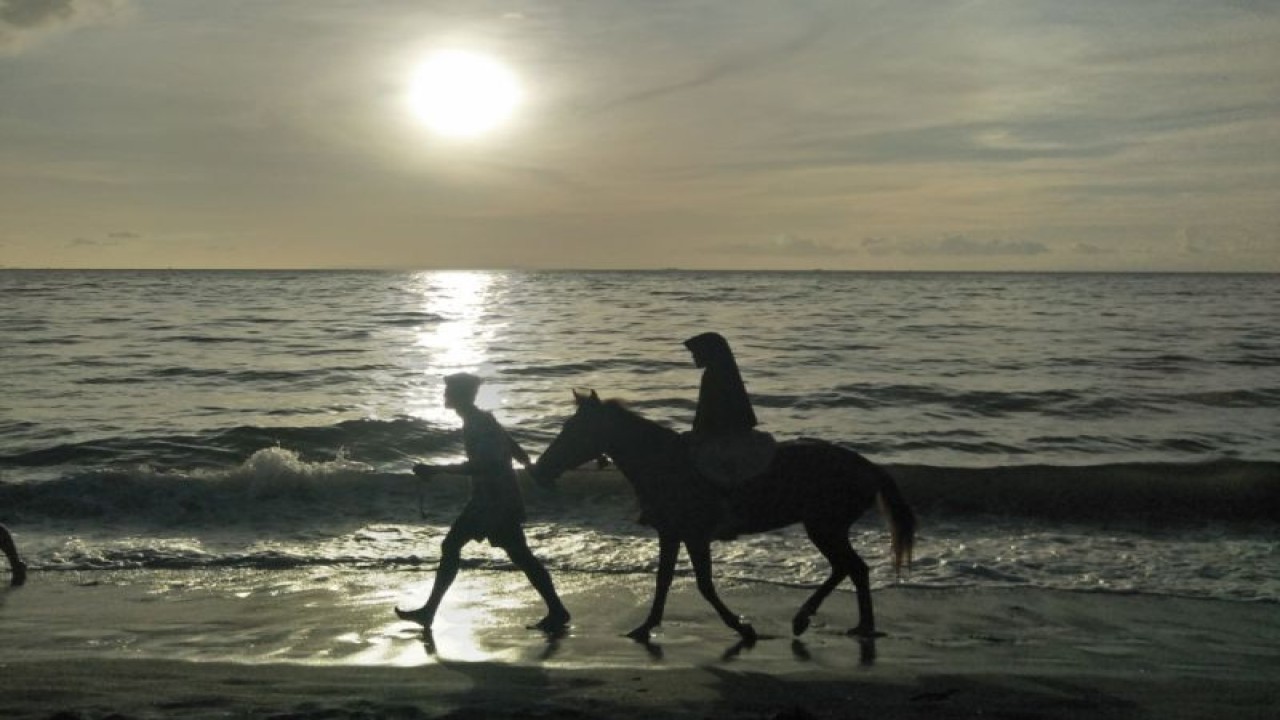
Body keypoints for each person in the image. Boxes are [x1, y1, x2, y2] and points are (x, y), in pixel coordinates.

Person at [395, 373, 570, 633]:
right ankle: (557, 610)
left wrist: (436, 469)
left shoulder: (478, 423)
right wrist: (530, 469)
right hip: (497, 498)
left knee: (455, 546)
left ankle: (428, 612)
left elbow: (484, 465)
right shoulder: (482, 420)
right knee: (520, 555)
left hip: (492, 502)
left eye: (449, 391)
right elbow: (513, 448)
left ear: (460, 396)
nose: (445, 395)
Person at [683, 332, 776, 488]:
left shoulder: (713, 376)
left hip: (723, 434)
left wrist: (698, 434)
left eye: (696, 353)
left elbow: (709, 413)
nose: (693, 357)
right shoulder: (723, 371)